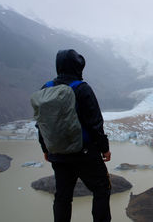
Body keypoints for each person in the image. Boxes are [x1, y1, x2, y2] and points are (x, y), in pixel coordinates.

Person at [37, 49, 111, 222]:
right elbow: (95, 123)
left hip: (58, 154)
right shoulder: (81, 89)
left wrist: (45, 148)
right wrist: (104, 148)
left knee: (62, 196)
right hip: (84, 154)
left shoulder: (46, 89)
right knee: (101, 189)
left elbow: (41, 123)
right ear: (78, 67)